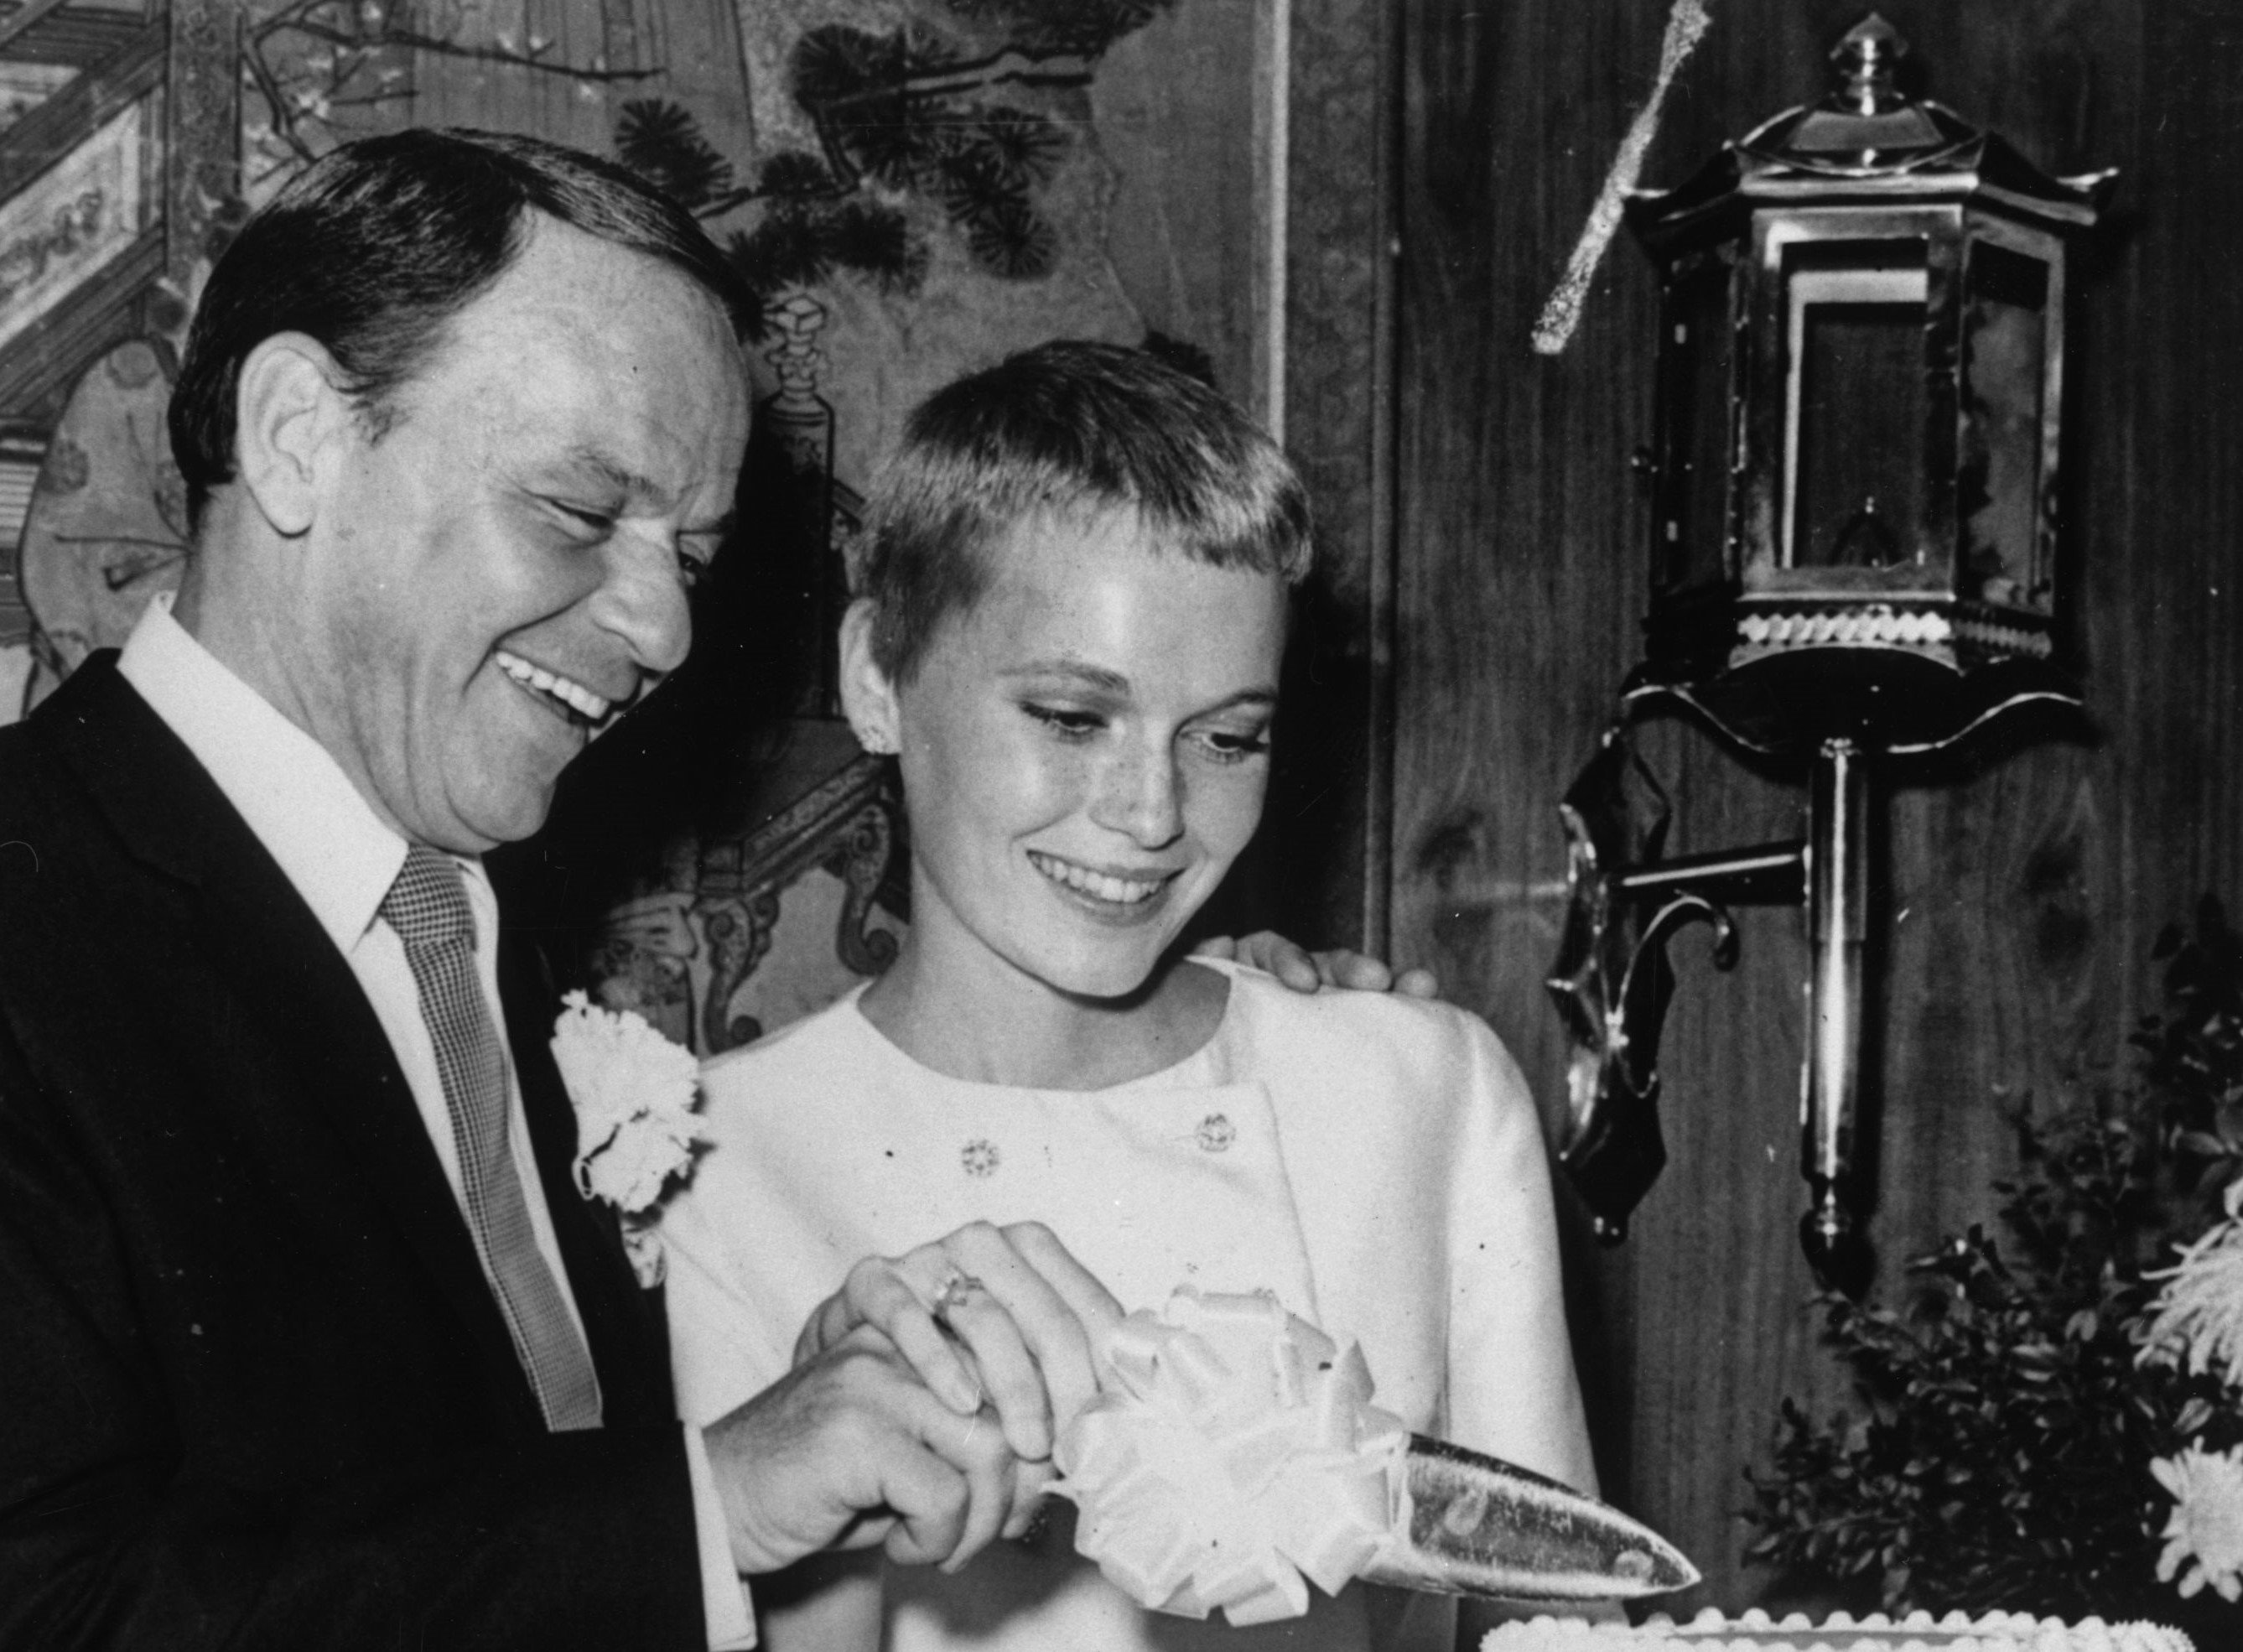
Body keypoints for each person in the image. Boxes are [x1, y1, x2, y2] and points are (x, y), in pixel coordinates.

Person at [657, 341, 1600, 1652]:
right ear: (878, 675)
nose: (1153, 814)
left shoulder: (1422, 1087)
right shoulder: (715, 1160)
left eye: (1226, 736)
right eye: (1070, 715)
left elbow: (1561, 1632)